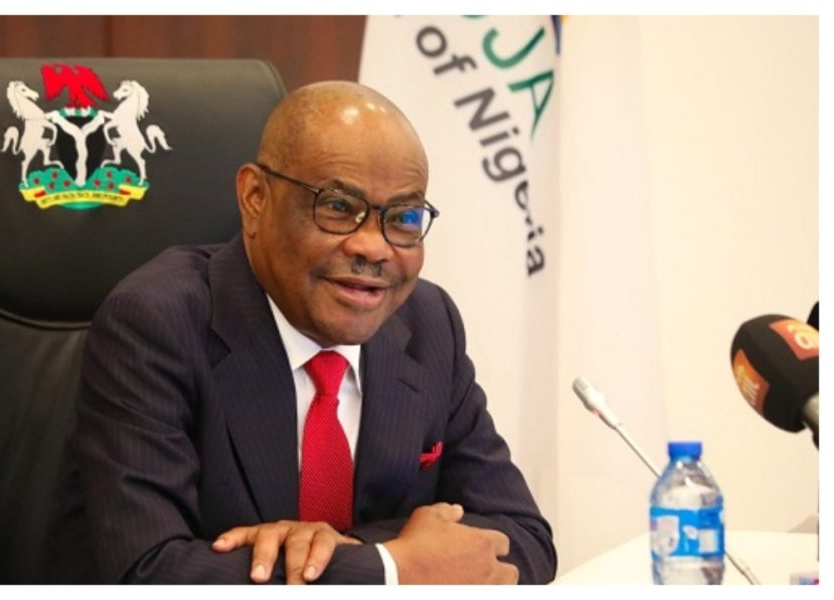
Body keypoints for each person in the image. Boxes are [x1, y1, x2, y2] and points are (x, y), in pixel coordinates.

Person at [52, 81, 556, 584]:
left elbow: (525, 539)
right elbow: (149, 573)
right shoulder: (155, 324)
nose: (374, 248)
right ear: (254, 198)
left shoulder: (428, 323)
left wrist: (355, 552)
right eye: (337, 207)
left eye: (403, 218)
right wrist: (391, 568)